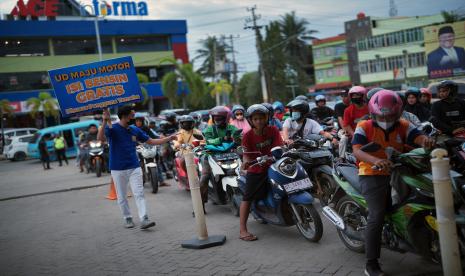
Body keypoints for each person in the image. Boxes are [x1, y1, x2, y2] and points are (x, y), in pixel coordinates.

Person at [351, 89, 434, 276]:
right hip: (371, 172)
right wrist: (375, 161)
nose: (386, 120)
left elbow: (417, 137)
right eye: (381, 116)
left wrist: (426, 141)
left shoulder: (404, 124)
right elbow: (357, 150)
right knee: (377, 215)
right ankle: (371, 263)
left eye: (391, 117)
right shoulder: (364, 126)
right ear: (373, 112)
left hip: (399, 169)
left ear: (398, 113)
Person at [97, 105, 178, 229]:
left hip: (134, 166)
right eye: (132, 114)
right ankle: (127, 218)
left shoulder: (134, 129)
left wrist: (169, 138)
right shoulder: (112, 127)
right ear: (125, 116)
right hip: (117, 168)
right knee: (122, 196)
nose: (135, 116)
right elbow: (100, 138)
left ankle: (144, 218)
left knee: (139, 193)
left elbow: (151, 141)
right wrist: (104, 120)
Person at [240, 104, 284, 241]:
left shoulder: (273, 130)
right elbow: (246, 155)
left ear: (267, 118)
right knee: (247, 197)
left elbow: (280, 146)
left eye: (261, 118)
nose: (258, 121)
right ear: (251, 121)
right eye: (255, 119)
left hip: (274, 165)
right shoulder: (247, 136)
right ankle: (242, 230)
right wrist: (247, 162)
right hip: (257, 168)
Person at [199, 106, 241, 208]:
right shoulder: (209, 129)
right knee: (204, 177)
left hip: (229, 154)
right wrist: (222, 138)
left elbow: (239, 138)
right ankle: (200, 204)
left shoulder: (232, 128)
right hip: (210, 155)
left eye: (220, 117)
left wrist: (237, 139)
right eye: (215, 117)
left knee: (245, 170)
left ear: (226, 118)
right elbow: (208, 140)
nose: (217, 120)